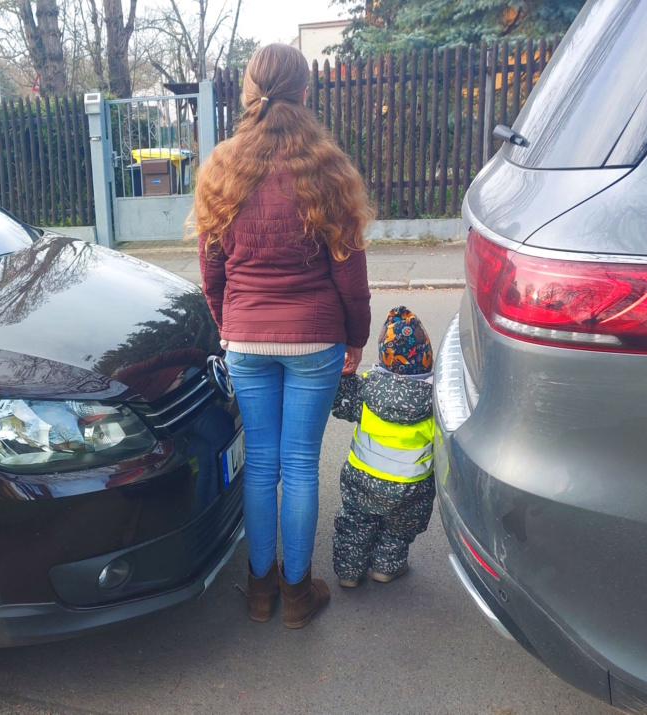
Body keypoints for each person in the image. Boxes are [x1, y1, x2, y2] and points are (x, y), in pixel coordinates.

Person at [194, 43, 374, 629]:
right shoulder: (327, 168)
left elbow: (211, 270)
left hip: (246, 339)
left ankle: (259, 589)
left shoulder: (221, 166)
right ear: (304, 93)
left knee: (262, 466)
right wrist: (356, 337)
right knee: (299, 466)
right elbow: (350, 274)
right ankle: (298, 594)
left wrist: (228, 325)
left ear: (249, 92)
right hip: (316, 341)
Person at [330, 306, 436, 587]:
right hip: (411, 487)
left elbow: (339, 403)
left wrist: (342, 376)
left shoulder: (365, 388)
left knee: (355, 523)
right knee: (398, 530)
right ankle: (386, 568)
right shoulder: (434, 402)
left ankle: (348, 574)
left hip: (362, 479)